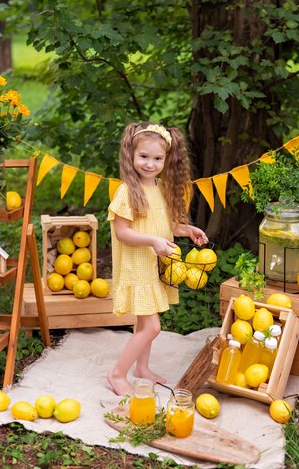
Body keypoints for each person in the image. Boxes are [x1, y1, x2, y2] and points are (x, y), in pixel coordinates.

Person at [107, 121, 208, 396]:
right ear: (131, 155)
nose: (150, 164)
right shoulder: (127, 191)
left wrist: (187, 230)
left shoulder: (161, 189)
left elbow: (167, 226)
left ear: (166, 159)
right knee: (152, 327)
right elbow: (122, 232)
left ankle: (142, 369)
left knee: (143, 324)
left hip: (156, 265)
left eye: (157, 158)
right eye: (143, 157)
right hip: (137, 266)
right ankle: (117, 374)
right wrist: (152, 241)